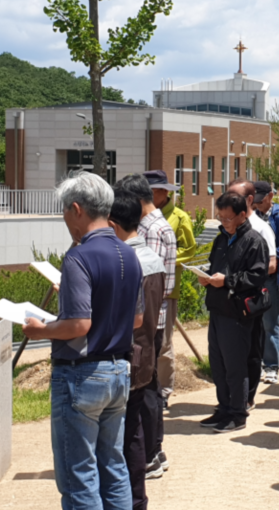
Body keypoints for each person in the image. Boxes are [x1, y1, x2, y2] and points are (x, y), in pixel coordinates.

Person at [22, 172, 141, 510]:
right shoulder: (128, 253)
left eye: (64, 211)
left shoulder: (78, 256)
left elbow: (78, 324)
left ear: (76, 209)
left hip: (81, 374)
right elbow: (137, 318)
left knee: (79, 476)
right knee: (114, 467)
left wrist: (41, 329)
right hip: (120, 370)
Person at [115, 173, 177, 478]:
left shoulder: (149, 230)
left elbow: (146, 281)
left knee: (145, 390)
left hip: (147, 320)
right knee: (150, 385)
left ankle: (149, 453)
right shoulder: (162, 224)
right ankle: (155, 450)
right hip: (156, 317)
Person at [109, 189, 165, 510]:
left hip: (127, 355)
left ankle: (131, 500)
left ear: (113, 224)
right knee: (135, 430)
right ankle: (137, 499)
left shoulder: (126, 262)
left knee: (125, 435)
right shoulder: (151, 257)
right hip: (146, 353)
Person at [197, 191, 269, 433]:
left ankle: (238, 413)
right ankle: (224, 407)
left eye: (227, 218)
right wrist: (206, 276)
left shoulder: (254, 241)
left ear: (241, 215)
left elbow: (257, 276)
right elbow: (214, 265)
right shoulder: (221, 239)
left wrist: (227, 281)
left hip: (237, 312)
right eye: (220, 218)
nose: (223, 222)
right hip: (217, 309)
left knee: (235, 365)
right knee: (218, 363)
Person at [146, 170, 198, 405]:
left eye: (150, 192)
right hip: (143, 287)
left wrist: (164, 257)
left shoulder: (179, 217)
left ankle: (165, 389)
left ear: (163, 193)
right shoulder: (142, 215)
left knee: (164, 341)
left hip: (167, 287)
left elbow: (190, 249)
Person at [227, 179, 277, 408]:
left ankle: (247, 397)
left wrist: (238, 277)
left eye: (234, 197)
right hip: (227, 303)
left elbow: (272, 265)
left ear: (249, 200)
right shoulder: (227, 228)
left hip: (250, 301)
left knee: (251, 350)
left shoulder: (262, 229)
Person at [254, 181, 279, 385]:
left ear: (270, 196)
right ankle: (259, 362)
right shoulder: (256, 216)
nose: (258, 204)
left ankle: (272, 366)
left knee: (271, 323)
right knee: (257, 323)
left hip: (271, 277)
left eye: (261, 200)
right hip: (256, 277)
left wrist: (266, 256)